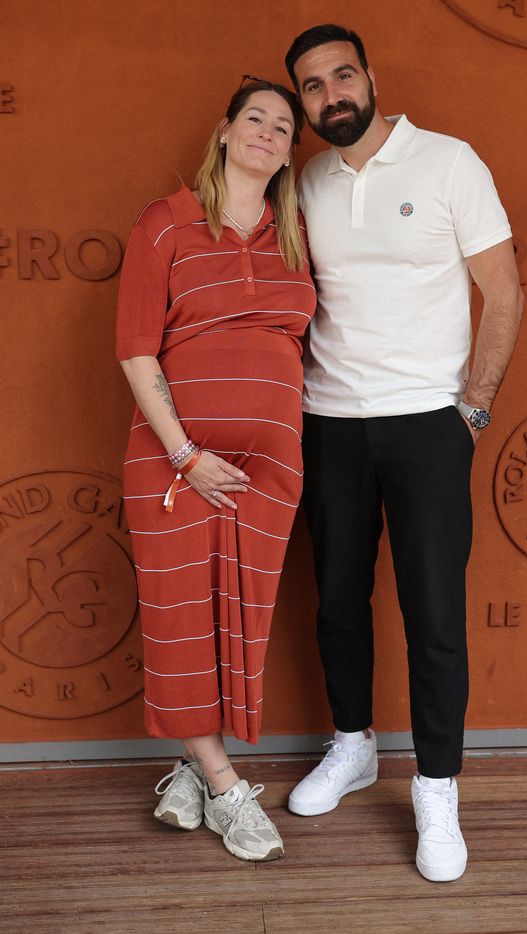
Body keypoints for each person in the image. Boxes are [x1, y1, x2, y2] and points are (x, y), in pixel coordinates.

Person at [284, 24, 524, 882]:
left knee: (434, 616)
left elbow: (504, 290)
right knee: (338, 603)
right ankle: (353, 746)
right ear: (304, 104)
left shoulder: (450, 162)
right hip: (328, 421)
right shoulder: (305, 181)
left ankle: (436, 787)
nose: (332, 95)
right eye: (313, 87)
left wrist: (473, 410)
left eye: (342, 76)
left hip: (428, 422)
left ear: (371, 77)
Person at [116, 77, 315, 862]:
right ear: (226, 131)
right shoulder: (166, 222)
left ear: (289, 153)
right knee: (180, 619)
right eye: (254, 119)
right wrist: (185, 453)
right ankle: (227, 786)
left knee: (236, 617)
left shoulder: (296, 233)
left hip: (269, 467)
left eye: (282, 127)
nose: (267, 132)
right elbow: (136, 350)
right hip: (175, 460)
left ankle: (190, 771)